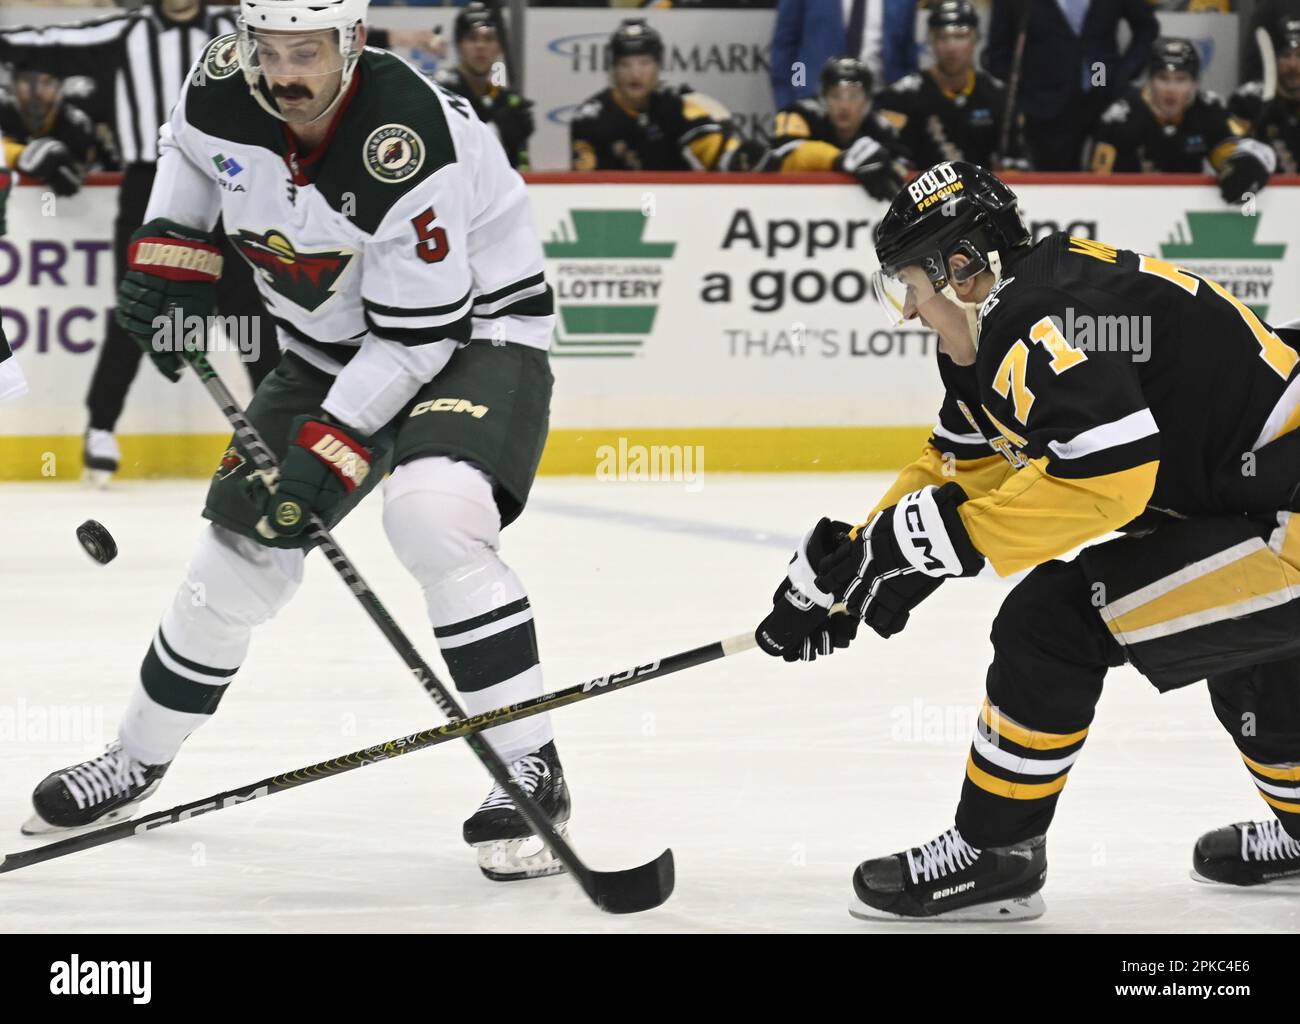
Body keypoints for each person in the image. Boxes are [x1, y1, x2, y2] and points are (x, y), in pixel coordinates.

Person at [21, 0, 570, 885]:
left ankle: (532, 768)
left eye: (304, 52)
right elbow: (190, 154)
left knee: (433, 516)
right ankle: (135, 758)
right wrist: (172, 262)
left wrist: (334, 440)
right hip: (328, 346)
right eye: (266, 50)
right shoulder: (223, 80)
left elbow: (416, 342)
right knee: (234, 551)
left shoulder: (403, 137)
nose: (282, 74)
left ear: (352, 43)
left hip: (473, 339)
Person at [755, 160, 1300, 920]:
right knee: (1246, 647)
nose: (908, 310)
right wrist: (849, 571)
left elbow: (1113, 479)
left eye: (910, 284)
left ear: (961, 267)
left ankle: (997, 855)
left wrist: (935, 542)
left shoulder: (1031, 316)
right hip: (1265, 501)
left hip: (1286, 515)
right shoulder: (1015, 314)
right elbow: (956, 469)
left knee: (1053, 625)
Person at [1087, 38, 1275, 206]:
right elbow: (1096, 185)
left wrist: (1245, 166)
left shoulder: (1208, 109)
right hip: (1128, 211)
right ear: (1150, 81)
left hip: (1187, 212)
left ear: (1194, 83)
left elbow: (1234, 152)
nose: (1171, 89)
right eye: (1163, 78)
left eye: (1181, 79)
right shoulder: (1120, 118)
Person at [984, 0, 1158, 171]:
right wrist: (1029, 86)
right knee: (1054, 186)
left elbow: (1147, 27)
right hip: (1043, 108)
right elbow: (997, 54)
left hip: (1103, 86)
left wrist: (1124, 73)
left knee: (1109, 183)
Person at [569, 19, 764, 172]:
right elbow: (586, 186)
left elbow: (717, 152)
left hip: (672, 208)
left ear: (659, 67)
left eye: (644, 63)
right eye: (625, 65)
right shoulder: (591, 118)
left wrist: (739, 157)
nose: (635, 74)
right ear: (612, 70)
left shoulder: (675, 105)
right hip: (619, 213)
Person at [874, 0, 1030, 170]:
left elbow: (1018, 164)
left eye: (960, 36)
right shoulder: (902, 96)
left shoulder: (998, 97)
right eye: (942, 37)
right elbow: (891, 160)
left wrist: (1008, 170)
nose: (951, 47)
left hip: (981, 194)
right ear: (931, 41)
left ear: (975, 39)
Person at [762, 56, 911, 202]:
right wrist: (839, 159)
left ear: (867, 102)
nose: (844, 105)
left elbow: (904, 170)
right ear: (823, 98)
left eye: (853, 96)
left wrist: (885, 163)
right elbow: (780, 157)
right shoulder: (801, 114)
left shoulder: (882, 127)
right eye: (835, 95)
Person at [434, 2, 533, 170]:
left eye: (489, 39)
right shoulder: (439, 94)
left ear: (500, 47)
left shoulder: (508, 103)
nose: (480, 46)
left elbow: (523, 169)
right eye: (472, 38)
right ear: (459, 45)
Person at [769, 0, 919, 110]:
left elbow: (907, 56)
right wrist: (792, 99)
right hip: (815, 106)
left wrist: (903, 109)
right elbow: (787, 48)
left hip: (880, 107)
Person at [0, 50, 105, 197]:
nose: (37, 92)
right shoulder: (3, 110)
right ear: (13, 84)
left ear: (60, 86)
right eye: (26, 81)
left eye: (47, 82)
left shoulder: (77, 122)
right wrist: (21, 156)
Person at [1230, 17, 1300, 175]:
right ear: (1274, 58)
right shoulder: (1247, 100)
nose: (1293, 65)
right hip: (1263, 197)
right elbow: (1229, 152)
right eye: (1286, 55)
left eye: (1299, 55)